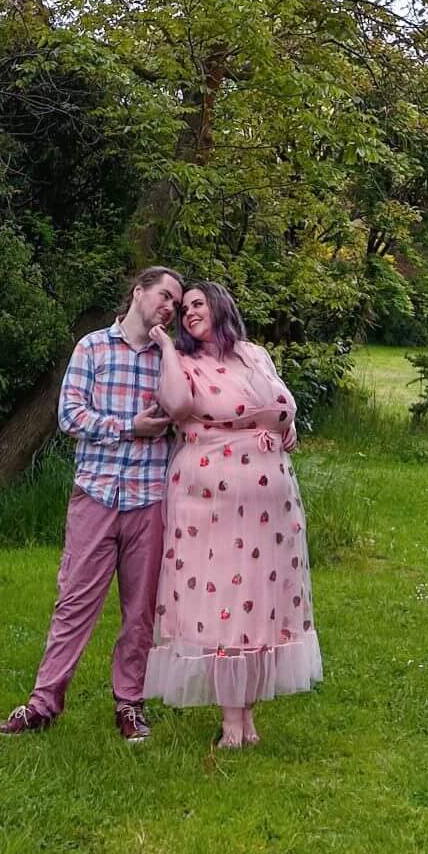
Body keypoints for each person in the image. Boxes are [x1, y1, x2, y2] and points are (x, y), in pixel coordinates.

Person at [0, 266, 183, 745]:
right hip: (95, 494)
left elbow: (194, 412)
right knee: (74, 603)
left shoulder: (169, 359)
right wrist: (128, 427)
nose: (169, 308)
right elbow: (69, 415)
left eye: (176, 305)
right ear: (138, 292)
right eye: (164, 296)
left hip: (149, 500)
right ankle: (43, 704)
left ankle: (130, 705)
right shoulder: (92, 347)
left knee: (139, 611)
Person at [144, 280, 322, 748]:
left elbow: (282, 405)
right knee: (221, 599)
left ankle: (248, 714)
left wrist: (290, 425)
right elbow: (178, 405)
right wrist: (164, 345)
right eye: (183, 309)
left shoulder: (255, 354)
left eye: (197, 304)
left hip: (270, 503)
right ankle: (230, 720)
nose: (188, 314)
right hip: (210, 501)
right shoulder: (183, 360)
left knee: (260, 603)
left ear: (220, 307)